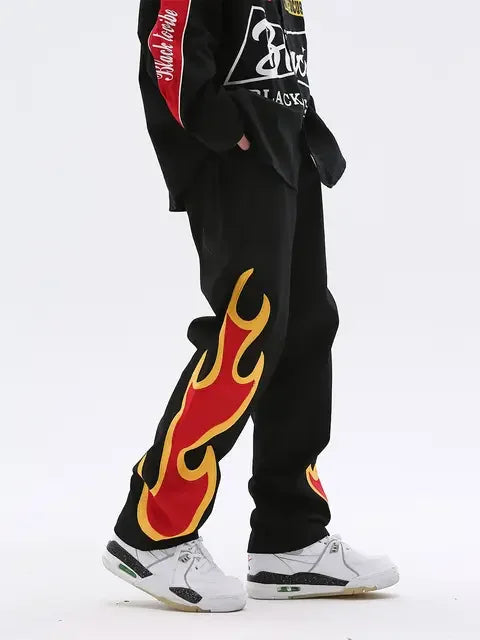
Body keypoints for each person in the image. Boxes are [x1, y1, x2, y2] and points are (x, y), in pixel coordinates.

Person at [102, 0, 399, 612]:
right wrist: (218, 123)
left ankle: (289, 537)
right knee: (249, 330)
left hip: (286, 144)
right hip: (237, 155)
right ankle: (153, 530)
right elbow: (168, 37)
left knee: (306, 326)